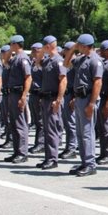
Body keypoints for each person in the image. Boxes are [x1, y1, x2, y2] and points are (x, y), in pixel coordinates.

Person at [65, 34, 103, 177]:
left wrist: (92, 103)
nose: (77, 47)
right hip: (80, 97)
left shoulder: (95, 60)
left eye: (79, 45)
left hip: (88, 98)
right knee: (80, 133)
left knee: (87, 133)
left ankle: (90, 164)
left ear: (86, 46)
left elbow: (98, 82)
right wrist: (73, 49)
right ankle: (84, 161)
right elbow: (66, 63)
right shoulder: (81, 59)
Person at [36, 35, 67, 170]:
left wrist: (59, 100)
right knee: (47, 129)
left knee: (52, 130)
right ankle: (48, 157)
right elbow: (38, 61)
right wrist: (42, 52)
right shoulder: (48, 60)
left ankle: (53, 159)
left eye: (44, 46)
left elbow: (63, 80)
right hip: (46, 98)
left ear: (49, 46)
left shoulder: (58, 61)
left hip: (53, 99)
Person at [4, 35, 32, 164]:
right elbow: (4, 60)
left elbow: (28, 77)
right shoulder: (15, 58)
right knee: (14, 124)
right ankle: (16, 151)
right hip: (12, 94)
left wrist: (24, 96)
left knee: (20, 124)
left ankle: (22, 152)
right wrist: (10, 51)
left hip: (19, 93)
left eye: (11, 44)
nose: (10, 46)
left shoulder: (23, 58)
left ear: (16, 44)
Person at [60, 42, 78, 159]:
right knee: (67, 123)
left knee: (71, 123)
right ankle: (68, 146)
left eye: (65, 49)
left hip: (72, 94)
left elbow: (79, 82)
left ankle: (72, 148)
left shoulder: (77, 63)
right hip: (67, 95)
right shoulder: (68, 62)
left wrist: (75, 97)